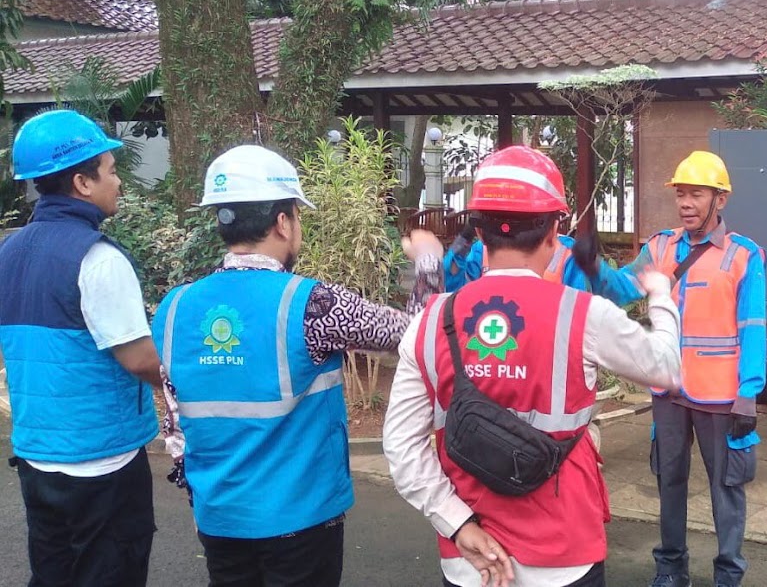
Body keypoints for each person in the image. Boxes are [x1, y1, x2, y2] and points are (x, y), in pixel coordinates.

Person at [383, 145, 683, 587]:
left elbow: (401, 447)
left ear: (479, 231)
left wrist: (457, 524)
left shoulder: (430, 321)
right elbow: (667, 369)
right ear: (553, 230)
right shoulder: (583, 315)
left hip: (470, 562)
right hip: (563, 554)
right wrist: (660, 295)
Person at [152, 144, 444, 587]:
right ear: (283, 223)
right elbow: (417, 337)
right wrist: (428, 260)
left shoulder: (173, 308)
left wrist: (199, 500)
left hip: (219, 519)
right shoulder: (314, 305)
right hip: (301, 521)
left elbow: (175, 422)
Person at [0, 109, 162, 586]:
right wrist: (194, 379)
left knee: (53, 574)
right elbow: (140, 360)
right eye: (110, 171)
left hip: (38, 457)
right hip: (102, 461)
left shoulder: (8, 252)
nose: (119, 182)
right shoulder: (98, 259)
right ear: (82, 182)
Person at [624, 151, 767, 587]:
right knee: (669, 480)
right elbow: (621, 285)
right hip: (668, 391)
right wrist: (585, 268)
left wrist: (749, 393)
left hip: (721, 396)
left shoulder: (743, 256)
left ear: (719, 200)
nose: (685, 203)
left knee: (727, 488)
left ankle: (728, 575)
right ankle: (670, 569)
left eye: (696, 194)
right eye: (680, 194)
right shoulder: (660, 247)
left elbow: (753, 326)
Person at [445, 214, 635, 306]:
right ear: (554, 227)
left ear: (480, 230)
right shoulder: (480, 252)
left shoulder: (567, 255)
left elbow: (452, 298)